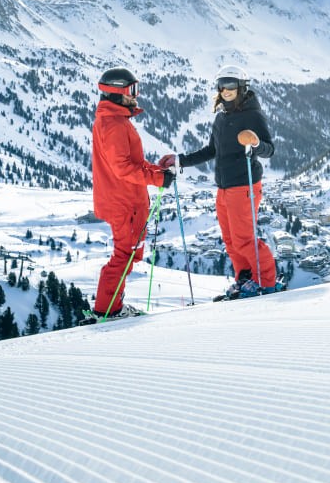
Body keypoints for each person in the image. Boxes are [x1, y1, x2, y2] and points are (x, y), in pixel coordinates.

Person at [159, 64, 279, 299]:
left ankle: (266, 283)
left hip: (244, 185)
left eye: (231, 85)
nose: (226, 89)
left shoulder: (253, 115)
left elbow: (269, 150)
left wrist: (255, 143)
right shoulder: (222, 117)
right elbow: (211, 150)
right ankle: (245, 279)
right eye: (222, 85)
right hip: (224, 187)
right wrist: (180, 160)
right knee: (231, 241)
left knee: (245, 239)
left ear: (242, 87)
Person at [91, 67, 175, 319]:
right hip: (125, 203)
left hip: (126, 201)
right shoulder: (114, 124)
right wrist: (158, 177)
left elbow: (131, 162)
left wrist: (157, 170)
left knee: (129, 255)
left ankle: (112, 306)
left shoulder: (114, 121)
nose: (135, 96)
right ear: (116, 92)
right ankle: (108, 310)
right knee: (124, 256)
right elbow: (123, 168)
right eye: (131, 90)